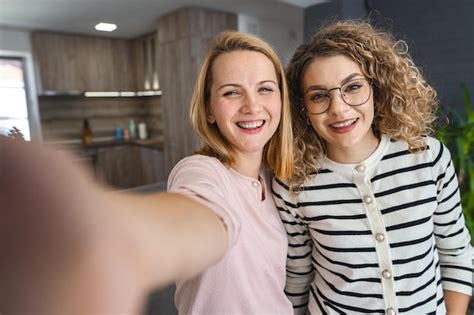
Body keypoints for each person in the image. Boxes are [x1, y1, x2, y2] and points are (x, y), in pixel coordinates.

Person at [1, 30, 294, 314]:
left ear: (280, 100)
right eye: (231, 92)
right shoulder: (201, 171)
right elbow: (202, 220)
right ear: (208, 110)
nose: (252, 105)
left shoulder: (277, 181)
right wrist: (94, 237)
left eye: (265, 89)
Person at [272, 20, 473, 315]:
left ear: (377, 88)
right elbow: (298, 277)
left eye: (353, 87)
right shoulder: (294, 182)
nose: (338, 108)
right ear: (302, 107)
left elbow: (456, 255)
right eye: (318, 96)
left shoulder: (427, 158)